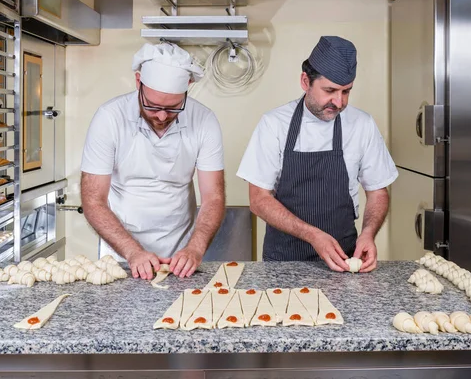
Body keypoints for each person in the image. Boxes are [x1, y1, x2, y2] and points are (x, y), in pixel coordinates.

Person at [237, 36, 398, 272]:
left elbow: (378, 192)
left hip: (343, 260)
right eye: (330, 90)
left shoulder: (362, 124)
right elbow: (259, 200)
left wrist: (368, 234)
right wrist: (313, 235)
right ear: (305, 81)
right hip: (284, 262)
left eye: (346, 91)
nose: (339, 101)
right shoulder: (274, 124)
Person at [80, 42, 225, 280]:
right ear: (138, 82)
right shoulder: (109, 119)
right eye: (153, 106)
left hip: (181, 251)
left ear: (188, 88)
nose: (161, 116)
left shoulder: (204, 121)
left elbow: (214, 197)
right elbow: (93, 199)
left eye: (173, 108)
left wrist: (195, 249)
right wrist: (133, 252)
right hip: (121, 253)